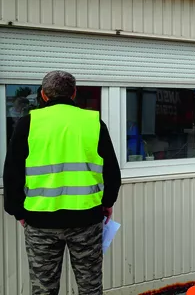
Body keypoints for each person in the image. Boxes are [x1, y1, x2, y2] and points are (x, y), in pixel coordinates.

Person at [3, 70, 122, 295]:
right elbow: (112, 171)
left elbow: (12, 173)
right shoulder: (93, 122)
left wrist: (17, 211)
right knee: (90, 288)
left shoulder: (28, 123)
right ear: (74, 93)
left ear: (43, 95)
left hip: (40, 223)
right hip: (87, 219)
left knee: (44, 289)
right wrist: (107, 203)